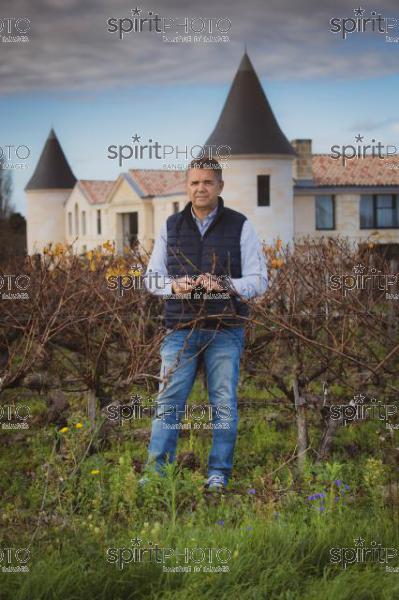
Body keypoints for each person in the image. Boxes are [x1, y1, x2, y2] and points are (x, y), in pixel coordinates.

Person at [141, 156, 268, 491]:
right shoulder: (170, 227)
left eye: (208, 182)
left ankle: (218, 474)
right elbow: (151, 278)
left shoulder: (241, 225)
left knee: (223, 403)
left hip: (225, 329)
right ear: (187, 187)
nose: (201, 188)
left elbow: (259, 280)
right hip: (179, 330)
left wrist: (225, 284)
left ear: (220, 186)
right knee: (168, 403)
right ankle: (156, 475)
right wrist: (173, 286)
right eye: (195, 182)